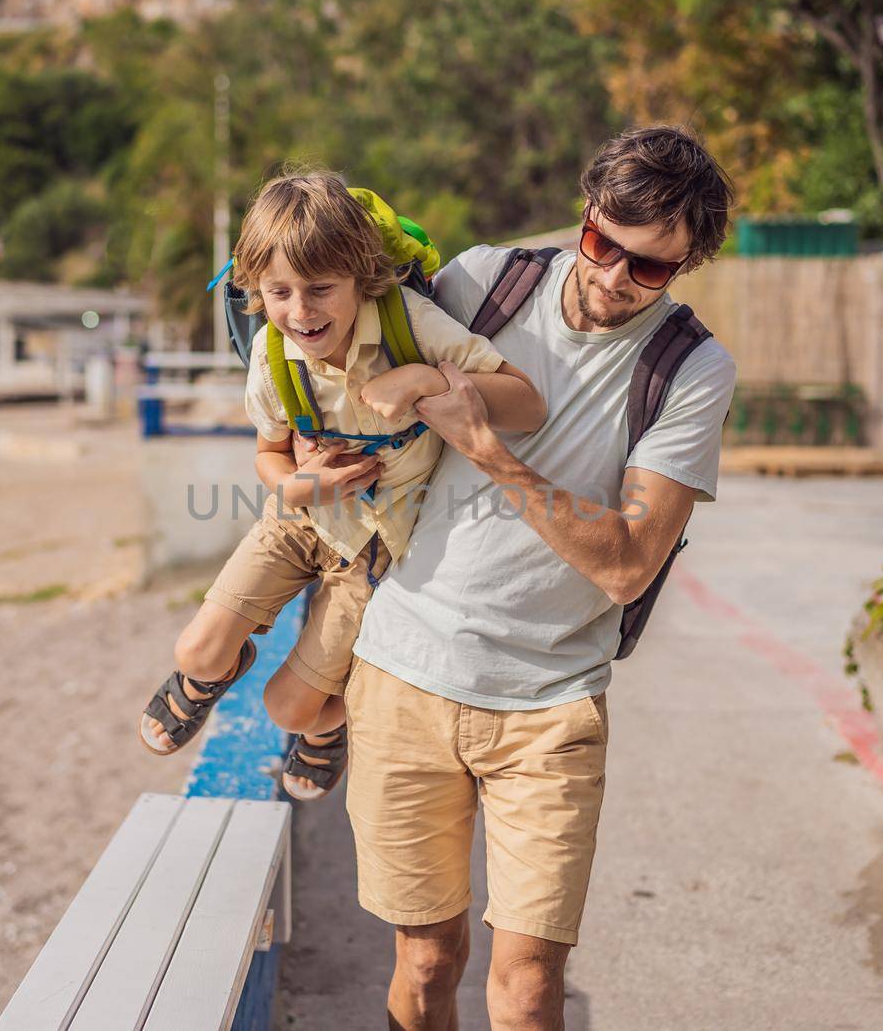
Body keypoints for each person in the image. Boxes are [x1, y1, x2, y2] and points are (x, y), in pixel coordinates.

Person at [334, 125, 739, 1029]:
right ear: (584, 215)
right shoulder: (484, 281)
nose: (610, 278)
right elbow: (348, 353)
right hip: (404, 668)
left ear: (685, 267)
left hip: (551, 704)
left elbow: (631, 564)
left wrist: (492, 451)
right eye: (601, 245)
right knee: (426, 959)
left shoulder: (691, 370)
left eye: (648, 268)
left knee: (525, 989)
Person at [139, 170, 546, 800]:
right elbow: (268, 452)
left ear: (361, 277)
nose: (301, 312)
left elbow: (526, 405)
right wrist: (295, 487)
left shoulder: (412, 324)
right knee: (194, 652)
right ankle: (209, 675)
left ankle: (333, 730)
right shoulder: (274, 353)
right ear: (258, 291)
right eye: (280, 292)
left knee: (290, 710)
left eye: (321, 289)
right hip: (297, 519)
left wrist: (422, 381)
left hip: (370, 547)